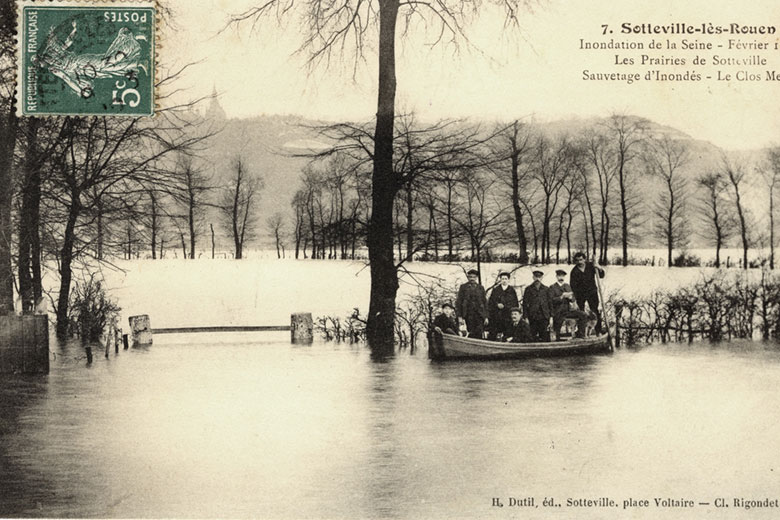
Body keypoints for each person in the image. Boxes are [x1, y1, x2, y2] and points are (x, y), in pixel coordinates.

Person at [549, 269, 592, 340]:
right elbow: (551, 300)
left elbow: (573, 299)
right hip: (557, 312)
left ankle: (580, 335)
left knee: (583, 315)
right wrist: (561, 297)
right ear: (556, 277)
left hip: (567, 311)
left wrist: (571, 297)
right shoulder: (552, 287)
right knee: (557, 323)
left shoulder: (567, 286)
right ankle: (558, 338)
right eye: (559, 276)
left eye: (563, 276)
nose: (561, 278)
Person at [570, 252, 606, 334]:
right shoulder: (574, 271)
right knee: (581, 312)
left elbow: (601, 275)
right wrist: (574, 299)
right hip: (580, 295)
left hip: (592, 292)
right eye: (577, 260)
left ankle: (598, 330)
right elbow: (573, 286)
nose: (579, 262)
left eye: (581, 260)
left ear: (584, 259)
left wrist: (599, 268)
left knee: (595, 311)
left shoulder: (591, 266)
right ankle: (581, 332)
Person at [455, 269, 488, 338]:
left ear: (476, 278)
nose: (472, 279)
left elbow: (485, 303)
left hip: (479, 315)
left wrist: (486, 317)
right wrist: (460, 316)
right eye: (470, 277)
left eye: (474, 277)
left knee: (479, 333)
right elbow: (459, 302)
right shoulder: (463, 287)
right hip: (468, 315)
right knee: (470, 333)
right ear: (468, 277)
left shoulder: (480, 288)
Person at [522, 270, 552, 342]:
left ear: (542, 278)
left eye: (539, 277)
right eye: (536, 277)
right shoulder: (528, 289)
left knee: (545, 337)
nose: (537, 279)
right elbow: (525, 304)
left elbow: (550, 303)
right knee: (532, 336)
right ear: (533, 277)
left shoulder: (546, 289)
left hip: (544, 316)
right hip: (532, 316)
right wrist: (525, 317)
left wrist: (551, 317)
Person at [487, 272, 518, 340]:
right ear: (500, 280)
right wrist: (497, 305)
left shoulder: (512, 290)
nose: (504, 280)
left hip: (507, 316)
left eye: (506, 279)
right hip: (496, 316)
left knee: (507, 334)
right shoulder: (496, 290)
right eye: (502, 279)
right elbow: (490, 302)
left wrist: (506, 306)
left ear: (508, 280)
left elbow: (515, 304)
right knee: (493, 333)